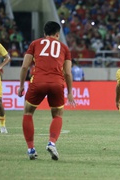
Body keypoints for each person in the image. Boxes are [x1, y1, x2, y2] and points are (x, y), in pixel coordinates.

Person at [17, 21, 76, 160]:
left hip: (38, 82)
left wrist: (21, 85)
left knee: (28, 113)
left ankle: (31, 149)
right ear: (57, 34)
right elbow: (68, 73)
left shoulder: (35, 44)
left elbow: (24, 67)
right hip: (57, 83)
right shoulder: (64, 48)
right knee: (57, 115)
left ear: (44, 33)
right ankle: (52, 143)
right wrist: (70, 92)